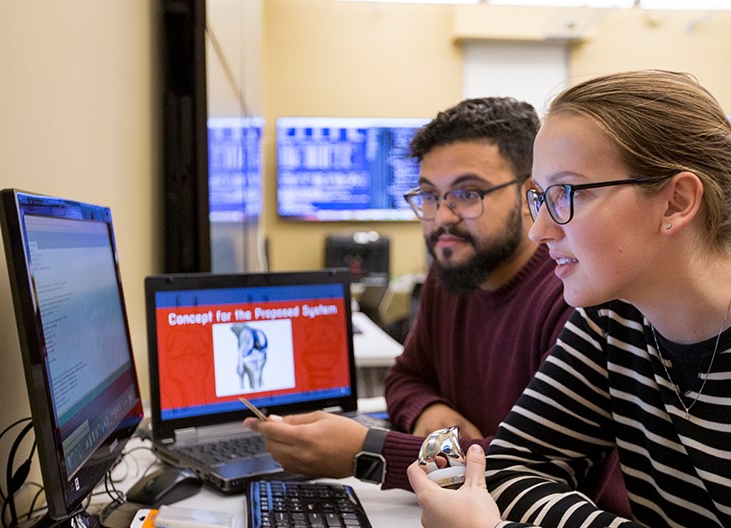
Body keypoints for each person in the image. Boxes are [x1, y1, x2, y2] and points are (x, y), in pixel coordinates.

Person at [408, 70, 731, 527]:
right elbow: (509, 468)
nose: (540, 229)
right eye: (540, 197)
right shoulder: (612, 317)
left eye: (567, 193)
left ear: (675, 202)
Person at [244, 97, 629, 514]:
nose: (442, 216)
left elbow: (530, 465)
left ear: (528, 195)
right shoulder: (450, 276)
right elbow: (405, 377)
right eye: (429, 195)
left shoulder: (574, 296)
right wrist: (435, 421)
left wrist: (370, 451)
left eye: (466, 194)